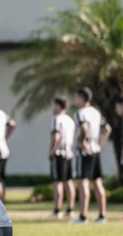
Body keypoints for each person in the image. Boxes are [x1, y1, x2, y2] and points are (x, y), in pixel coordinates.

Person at [69, 87, 111, 224]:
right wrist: (98, 144)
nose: (75, 100)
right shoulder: (96, 112)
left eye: (76, 97)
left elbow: (84, 128)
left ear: (81, 98)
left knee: (82, 184)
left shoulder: (80, 113)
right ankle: (102, 215)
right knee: (97, 183)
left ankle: (82, 216)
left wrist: (82, 142)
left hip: (84, 152)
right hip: (95, 151)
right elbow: (107, 129)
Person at [45, 96, 76, 220]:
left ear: (58, 106)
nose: (52, 108)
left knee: (57, 182)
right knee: (68, 182)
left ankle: (56, 210)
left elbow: (56, 137)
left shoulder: (56, 119)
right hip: (68, 154)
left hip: (58, 154)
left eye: (53, 105)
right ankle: (70, 209)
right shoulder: (70, 120)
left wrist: (51, 151)